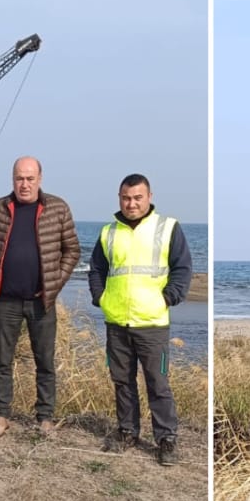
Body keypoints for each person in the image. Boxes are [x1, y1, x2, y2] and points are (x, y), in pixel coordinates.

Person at [0, 156, 80, 437]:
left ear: (40, 179)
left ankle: (45, 417)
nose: (24, 184)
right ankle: (1, 415)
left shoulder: (57, 207)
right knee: (3, 361)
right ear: (12, 179)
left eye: (30, 178)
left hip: (42, 301)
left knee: (45, 361)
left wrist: (55, 282)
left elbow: (73, 250)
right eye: (19, 178)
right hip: (5, 300)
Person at [89, 174, 192, 466]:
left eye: (137, 197)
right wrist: (101, 298)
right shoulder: (109, 232)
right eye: (126, 198)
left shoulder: (167, 227)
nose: (131, 203)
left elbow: (182, 268)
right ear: (119, 198)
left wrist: (168, 298)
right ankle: (127, 431)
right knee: (122, 381)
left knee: (157, 383)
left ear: (148, 197)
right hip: (117, 321)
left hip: (152, 323)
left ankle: (166, 439)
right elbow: (96, 268)